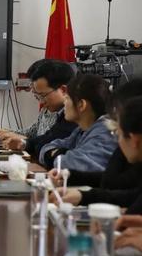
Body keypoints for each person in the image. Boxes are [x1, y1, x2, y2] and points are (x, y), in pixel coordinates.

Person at [48, 79, 142, 208]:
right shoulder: (126, 143)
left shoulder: (106, 130)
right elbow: (112, 180)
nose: (114, 120)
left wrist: (84, 196)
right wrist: (70, 175)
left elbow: (125, 193)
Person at [39, 74, 116, 172]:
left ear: (81, 105)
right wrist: (58, 154)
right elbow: (46, 148)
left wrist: (56, 155)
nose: (64, 103)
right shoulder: (81, 130)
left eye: (67, 98)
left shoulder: (105, 132)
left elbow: (72, 164)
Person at [1, 60, 76, 159]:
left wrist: (24, 142)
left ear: (63, 90)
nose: (41, 102)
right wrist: (21, 141)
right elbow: (45, 138)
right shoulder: (59, 112)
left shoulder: (73, 115)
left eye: (42, 95)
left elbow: (49, 143)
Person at [0, 59, 59, 141]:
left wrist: (23, 140)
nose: (32, 89)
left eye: (34, 83)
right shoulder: (45, 109)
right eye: (31, 83)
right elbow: (31, 133)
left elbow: (48, 143)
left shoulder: (65, 116)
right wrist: (6, 132)